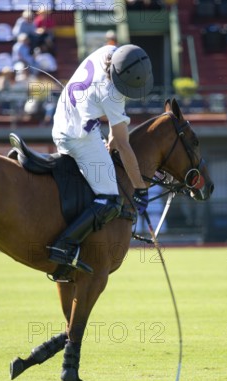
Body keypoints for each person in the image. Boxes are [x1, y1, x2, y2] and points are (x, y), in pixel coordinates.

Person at [47, 44, 153, 276]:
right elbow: (123, 145)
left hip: (65, 117)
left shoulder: (108, 51)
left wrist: (111, 142)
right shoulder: (112, 93)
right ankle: (63, 245)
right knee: (110, 200)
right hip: (77, 136)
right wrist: (140, 188)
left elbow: (115, 137)